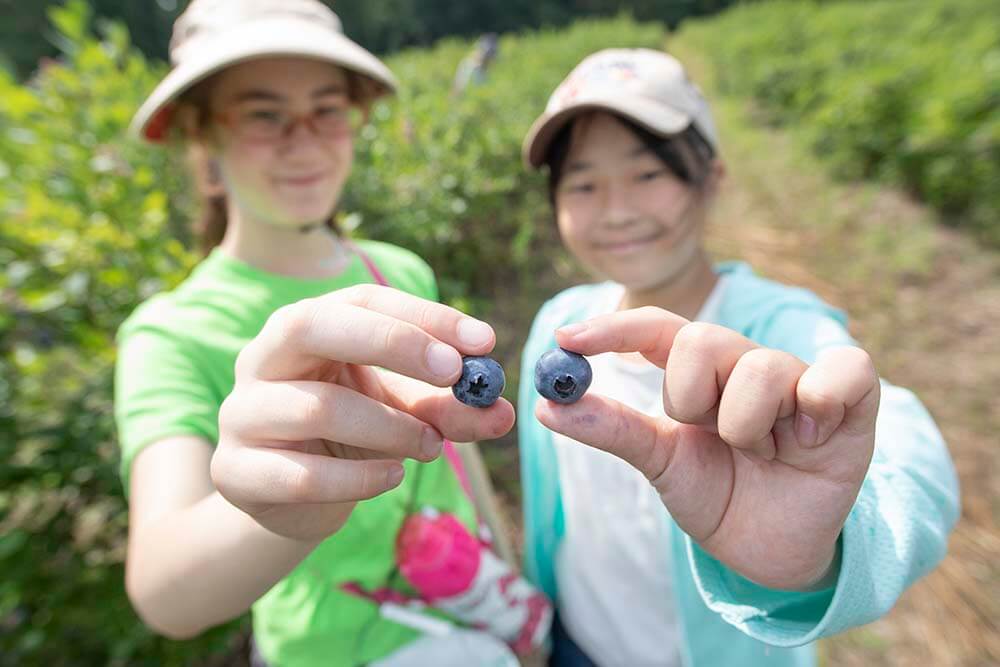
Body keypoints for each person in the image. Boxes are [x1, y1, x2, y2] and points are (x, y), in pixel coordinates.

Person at [115, 1, 547, 665]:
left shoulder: (396, 269)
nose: (305, 139)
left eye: (328, 109)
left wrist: (501, 554)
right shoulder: (173, 334)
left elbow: (461, 458)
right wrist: (275, 514)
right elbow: (164, 590)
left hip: (474, 602)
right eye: (264, 114)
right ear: (203, 137)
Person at [516, 48, 961, 667]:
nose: (616, 210)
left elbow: (905, 458)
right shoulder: (558, 327)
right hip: (576, 641)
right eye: (584, 183)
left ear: (712, 178)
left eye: (648, 175)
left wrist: (827, 550)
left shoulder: (777, 328)